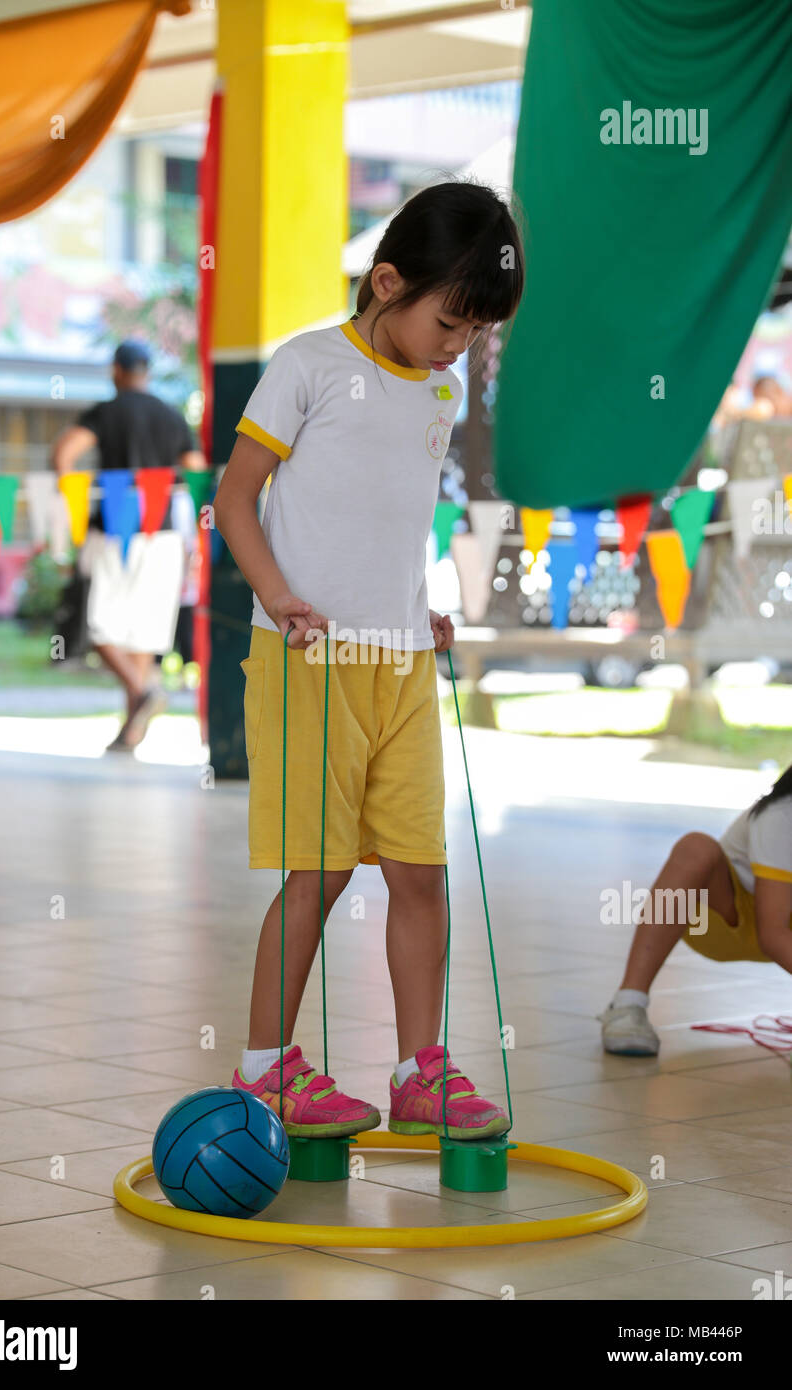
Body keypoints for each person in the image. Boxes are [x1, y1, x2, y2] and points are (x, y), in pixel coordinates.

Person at [213, 179, 526, 1139]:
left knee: (421, 871)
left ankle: (417, 1071)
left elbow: (387, 511)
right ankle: (266, 1068)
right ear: (387, 280)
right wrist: (279, 597)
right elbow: (235, 499)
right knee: (319, 874)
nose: (458, 344)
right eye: (450, 319)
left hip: (401, 664)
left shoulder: (442, 382)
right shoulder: (306, 364)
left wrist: (416, 604)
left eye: (476, 331)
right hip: (309, 659)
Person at [51, 340, 207, 751]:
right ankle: (133, 725)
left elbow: (63, 452)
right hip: (166, 534)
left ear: (116, 371)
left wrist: (72, 495)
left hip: (114, 529)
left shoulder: (107, 410)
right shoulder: (172, 415)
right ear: (147, 372)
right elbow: (195, 474)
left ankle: (140, 695)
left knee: (95, 623)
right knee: (142, 633)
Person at [599, 763, 792, 1056]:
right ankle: (628, 1005)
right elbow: (773, 935)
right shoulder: (781, 816)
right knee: (695, 848)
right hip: (727, 920)